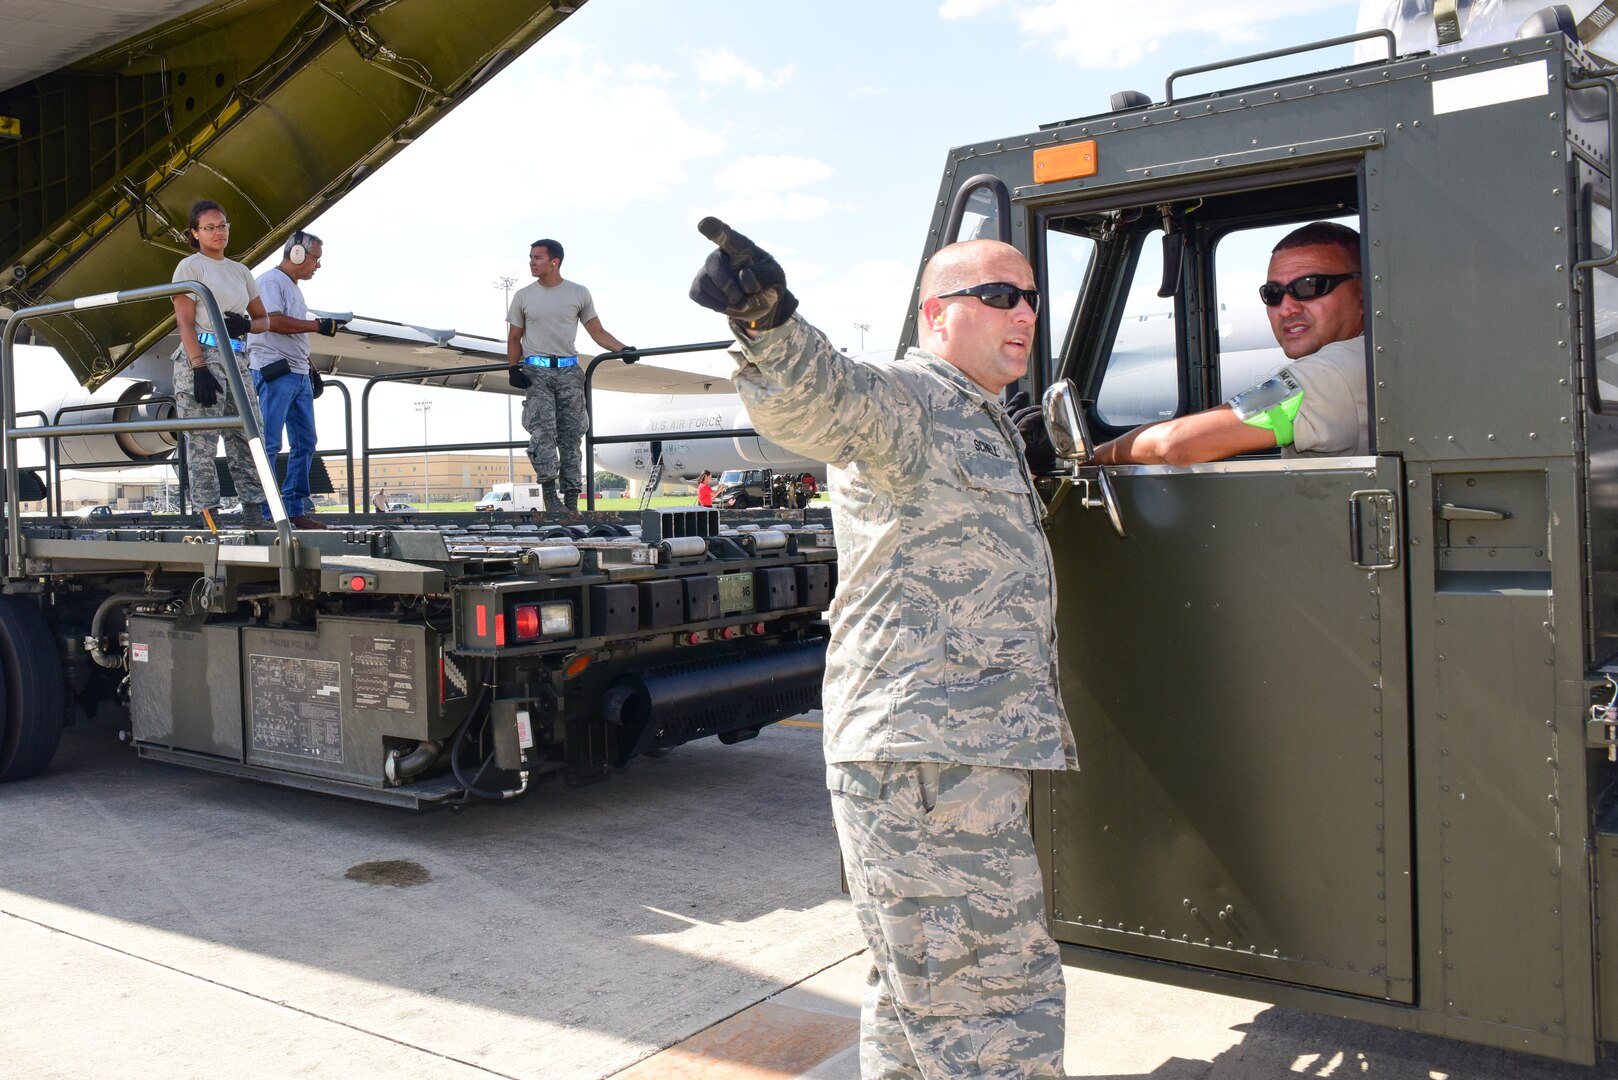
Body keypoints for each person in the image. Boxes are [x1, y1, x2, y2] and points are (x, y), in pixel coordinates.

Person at [690, 218, 1076, 1079]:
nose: (1025, 313)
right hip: (926, 759)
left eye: (1032, 298)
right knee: (993, 1002)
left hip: (947, 754)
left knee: (922, 1001)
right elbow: (821, 398)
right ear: (938, 314)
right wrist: (768, 323)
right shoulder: (911, 398)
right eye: (1000, 295)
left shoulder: (981, 416)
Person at [1094, 221, 1367, 466]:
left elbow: (1174, 444)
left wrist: (1095, 456)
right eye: (1272, 294)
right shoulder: (1368, 359)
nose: (1286, 309)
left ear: (1364, 292)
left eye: (1310, 286)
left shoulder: (1329, 374)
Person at [505, 238, 633, 510]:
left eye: (537, 258)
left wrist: (624, 349)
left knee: (572, 435)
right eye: (530, 257)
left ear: (555, 262)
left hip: (569, 371)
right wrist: (513, 368)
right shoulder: (523, 296)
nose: (531, 262)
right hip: (536, 372)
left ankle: (572, 499)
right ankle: (550, 495)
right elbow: (514, 337)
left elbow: (597, 332)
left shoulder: (578, 293)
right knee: (543, 431)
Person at [170, 199, 270, 528]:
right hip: (203, 355)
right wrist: (198, 366)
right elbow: (185, 323)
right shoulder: (190, 267)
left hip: (238, 356)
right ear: (195, 233)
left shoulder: (240, 271)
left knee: (247, 434)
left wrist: (246, 325)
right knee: (202, 440)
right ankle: (208, 515)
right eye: (210, 227)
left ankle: (254, 511)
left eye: (223, 225)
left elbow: (263, 319)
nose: (218, 232)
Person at [245, 229, 346, 530]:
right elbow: (272, 322)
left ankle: (293, 507)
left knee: (305, 442)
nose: (317, 265)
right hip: (276, 371)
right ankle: (267, 510)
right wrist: (316, 326)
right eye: (315, 259)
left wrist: (307, 361)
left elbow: (288, 330)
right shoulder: (270, 282)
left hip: (296, 372)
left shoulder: (289, 285)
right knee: (271, 443)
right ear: (298, 254)